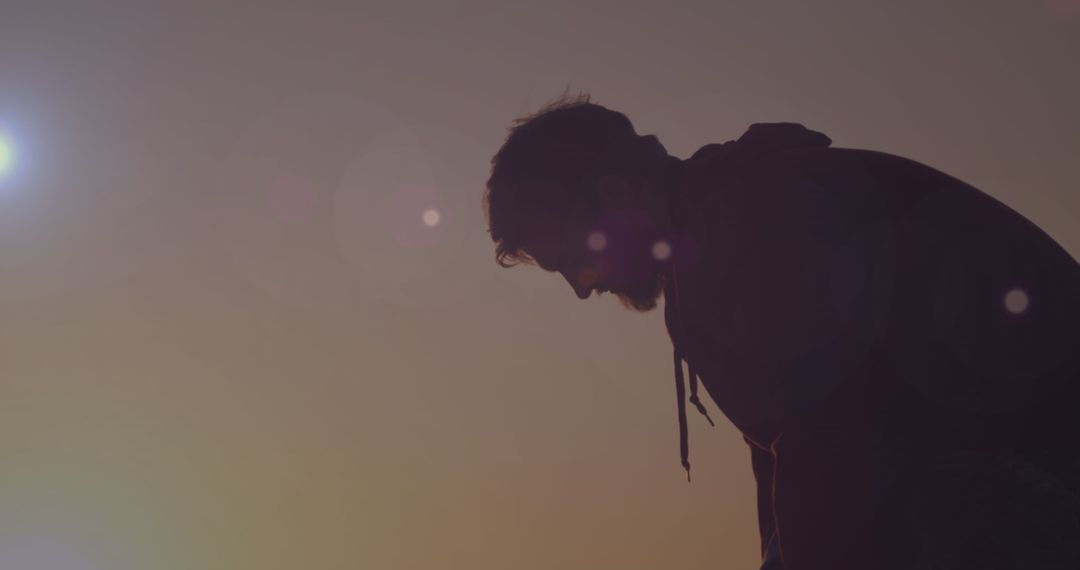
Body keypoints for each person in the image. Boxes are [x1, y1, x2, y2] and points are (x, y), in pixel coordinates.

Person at [481, 92, 1080, 569]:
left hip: (1032, 474)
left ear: (614, 197)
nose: (583, 288)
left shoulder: (762, 218)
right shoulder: (702, 271)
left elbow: (826, 438)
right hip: (981, 476)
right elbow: (782, 470)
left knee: (937, 507)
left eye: (574, 263)